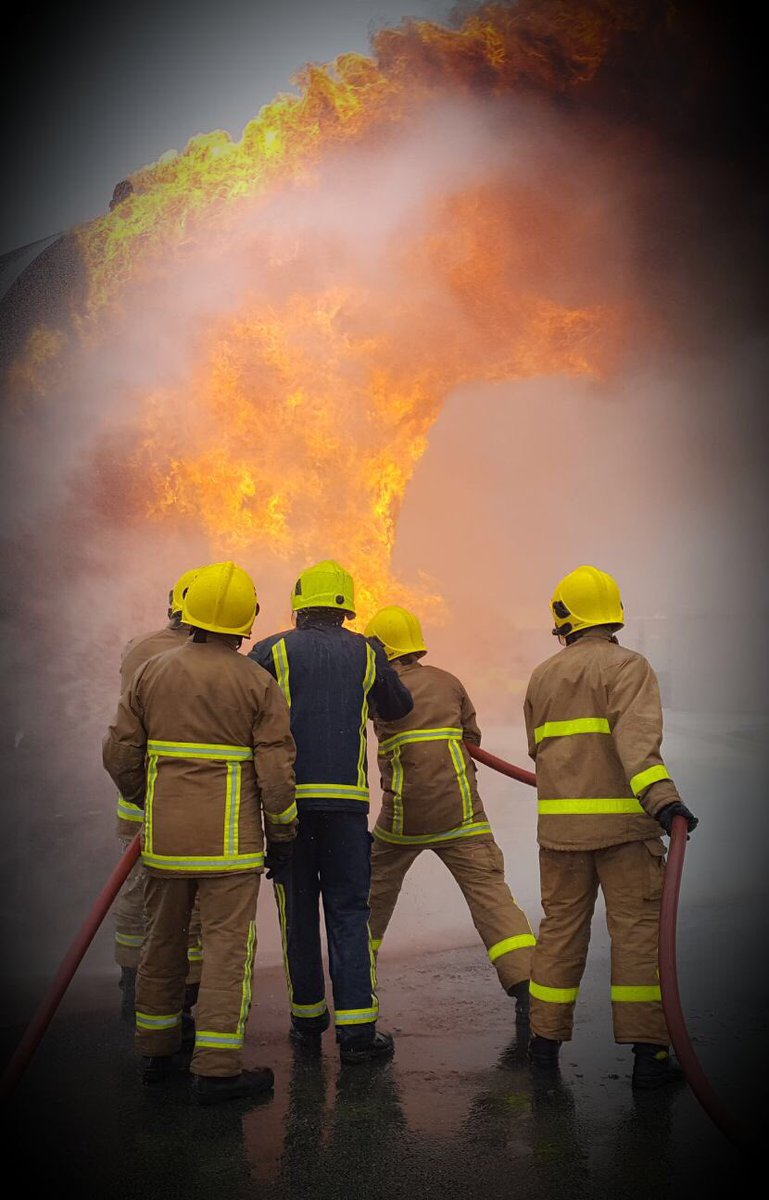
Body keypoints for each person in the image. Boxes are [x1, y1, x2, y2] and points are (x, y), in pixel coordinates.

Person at [103, 561, 298, 1104]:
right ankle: (216, 1069)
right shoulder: (258, 682)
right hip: (230, 849)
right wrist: (282, 833)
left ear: (187, 612)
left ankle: (154, 1051)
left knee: (162, 942)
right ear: (246, 621)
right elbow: (277, 772)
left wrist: (149, 799)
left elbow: (119, 751)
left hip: (165, 842)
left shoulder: (152, 671)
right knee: (225, 950)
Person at [523, 565, 698, 1089]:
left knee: (558, 936)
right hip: (625, 832)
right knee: (639, 939)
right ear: (614, 615)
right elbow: (637, 744)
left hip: (560, 836)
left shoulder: (542, 675)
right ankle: (650, 1061)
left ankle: (543, 1047)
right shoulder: (629, 666)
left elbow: (538, 750)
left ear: (563, 618)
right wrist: (665, 801)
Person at [249, 560, 413, 1063]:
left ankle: (306, 1022)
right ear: (345, 606)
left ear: (300, 603)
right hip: (345, 809)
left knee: (297, 914)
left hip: (289, 807)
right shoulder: (365, 652)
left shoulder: (271, 650)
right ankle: (359, 1034)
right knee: (348, 913)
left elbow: (241, 708)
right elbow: (398, 706)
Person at [364, 605, 536, 1020]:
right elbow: (471, 737)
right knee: (493, 898)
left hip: (401, 821)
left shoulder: (374, 690)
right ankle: (528, 987)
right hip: (462, 818)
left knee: (367, 898)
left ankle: (356, 980)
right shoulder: (449, 682)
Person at [112, 568, 204, 1029]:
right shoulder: (205, 659)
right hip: (185, 806)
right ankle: (179, 1001)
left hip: (138, 803)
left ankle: (132, 987)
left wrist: (137, 792)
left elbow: (124, 735)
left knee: (134, 897)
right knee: (186, 907)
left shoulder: (138, 648)